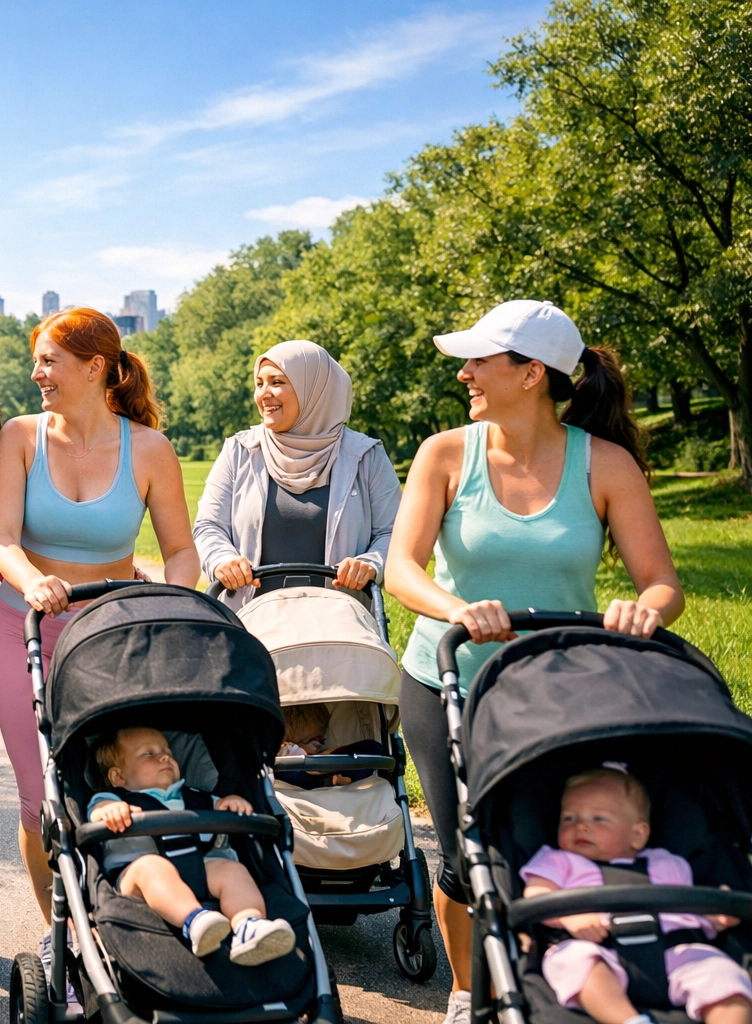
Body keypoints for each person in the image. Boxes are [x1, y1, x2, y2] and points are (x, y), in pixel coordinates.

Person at [385, 299, 686, 1024]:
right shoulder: (445, 454)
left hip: (556, 690)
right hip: (447, 680)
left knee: (546, 848)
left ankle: (545, 986)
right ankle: (466, 995)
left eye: (479, 361)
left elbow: (662, 582)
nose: (464, 374)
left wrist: (644, 609)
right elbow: (401, 567)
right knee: (466, 856)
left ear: (530, 374)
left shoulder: (605, 464)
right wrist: (457, 609)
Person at [0, 307, 199, 1006]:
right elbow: (2, 537)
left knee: (110, 787)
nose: (37, 374)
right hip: (25, 629)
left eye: (49, 361)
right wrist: (31, 581)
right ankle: (63, 930)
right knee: (40, 798)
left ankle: (122, 915)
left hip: (110, 639)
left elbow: (181, 550)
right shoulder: (22, 437)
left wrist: (175, 599)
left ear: (95, 367)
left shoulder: (150, 450)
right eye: (37, 361)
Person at [520, 767, 751, 1024]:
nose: (581, 826)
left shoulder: (668, 864)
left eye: (599, 819)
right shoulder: (557, 860)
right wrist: (569, 916)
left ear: (637, 835)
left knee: (724, 975)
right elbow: (536, 895)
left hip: (675, 949)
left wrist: (716, 915)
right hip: (598, 948)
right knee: (570, 961)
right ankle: (629, 1021)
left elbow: (686, 909)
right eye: (569, 818)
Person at [195, 339, 401, 607]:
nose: (263, 394)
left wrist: (369, 564)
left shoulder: (367, 456)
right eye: (259, 384)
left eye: (276, 382)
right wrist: (222, 559)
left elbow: (394, 532)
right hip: (250, 619)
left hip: (340, 620)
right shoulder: (239, 450)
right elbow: (209, 525)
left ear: (313, 388)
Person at [88, 727, 296, 965]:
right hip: (136, 881)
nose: (165, 757)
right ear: (118, 777)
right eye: (149, 753)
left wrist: (232, 803)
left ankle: (248, 924)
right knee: (152, 866)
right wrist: (109, 811)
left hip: (199, 867)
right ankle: (194, 920)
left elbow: (226, 809)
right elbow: (96, 813)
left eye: (168, 751)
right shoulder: (113, 800)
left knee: (232, 870)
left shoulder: (199, 797)